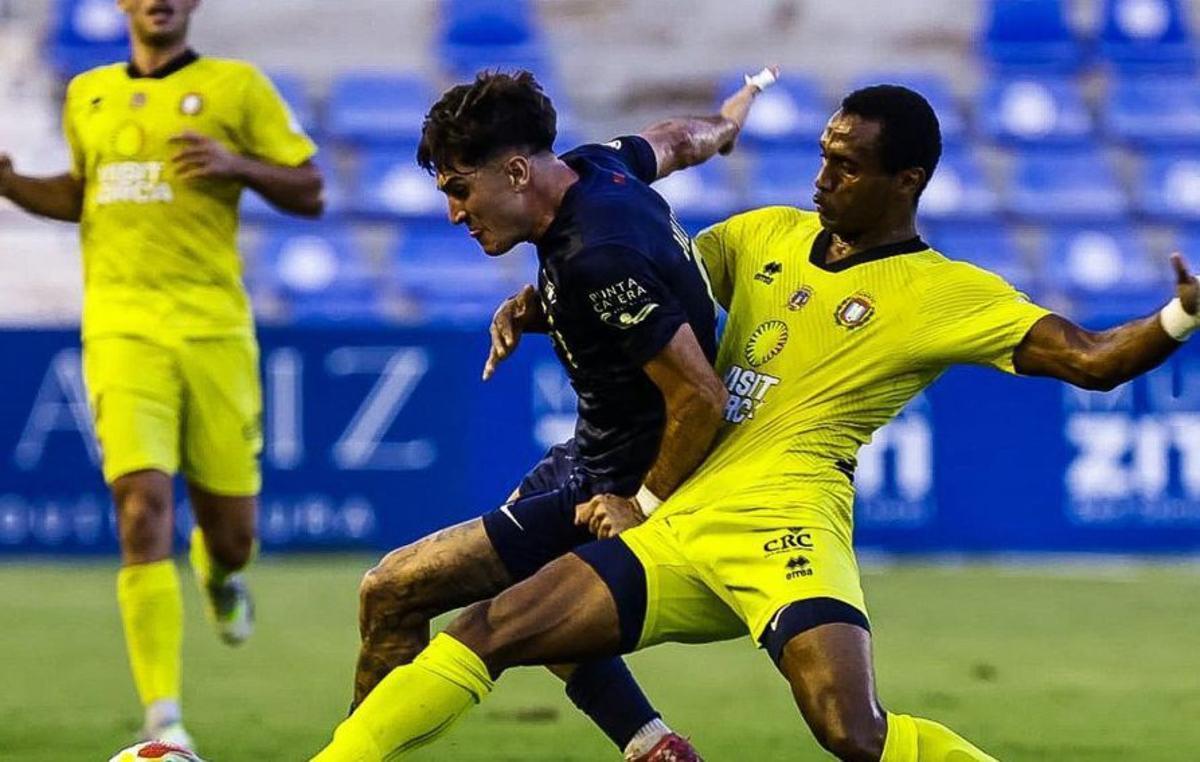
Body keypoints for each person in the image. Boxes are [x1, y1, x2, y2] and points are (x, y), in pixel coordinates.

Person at [311, 84, 1200, 762]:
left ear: (909, 181)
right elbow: (653, 278)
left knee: (851, 734)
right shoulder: (764, 234)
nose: (822, 177)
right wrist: (538, 301)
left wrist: (1178, 318)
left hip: (786, 517)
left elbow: (1089, 359)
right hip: (686, 514)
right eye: (822, 155)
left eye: (847, 166)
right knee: (490, 629)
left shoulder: (948, 293)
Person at [343, 68, 778, 762]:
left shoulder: (597, 258)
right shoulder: (598, 167)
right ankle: (653, 746)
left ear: (515, 171)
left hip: (614, 477)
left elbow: (700, 395)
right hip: (591, 453)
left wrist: (641, 502)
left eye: (460, 189)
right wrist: (727, 124)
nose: (454, 213)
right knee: (525, 600)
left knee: (392, 591)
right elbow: (676, 140)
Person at [0, 0, 323, 749]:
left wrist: (235, 164)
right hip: (121, 328)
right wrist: (14, 184)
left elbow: (310, 190)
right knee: (141, 508)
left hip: (213, 330)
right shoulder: (87, 93)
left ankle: (217, 572)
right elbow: (87, 196)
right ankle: (164, 725)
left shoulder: (237, 87)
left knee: (234, 535)